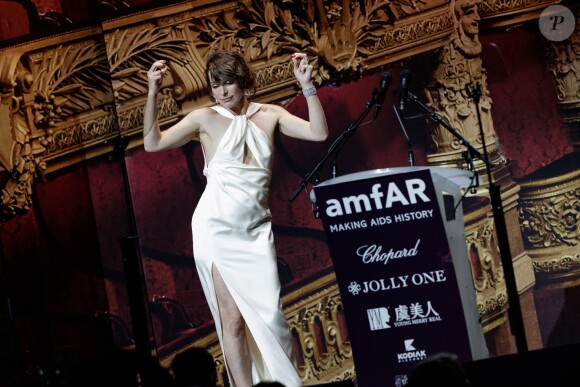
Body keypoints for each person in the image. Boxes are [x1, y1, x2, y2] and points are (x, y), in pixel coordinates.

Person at [144, 50, 328, 387]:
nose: (223, 91)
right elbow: (153, 143)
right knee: (233, 320)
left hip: (256, 233)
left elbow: (318, 133)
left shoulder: (271, 115)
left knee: (271, 320)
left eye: (228, 82)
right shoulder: (203, 118)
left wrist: (307, 87)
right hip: (215, 231)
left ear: (242, 80)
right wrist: (153, 91)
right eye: (216, 85)